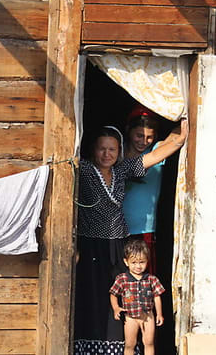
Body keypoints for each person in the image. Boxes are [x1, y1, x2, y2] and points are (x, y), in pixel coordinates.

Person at [73, 119, 187, 355]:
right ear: (93, 149)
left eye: (112, 149)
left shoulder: (121, 171)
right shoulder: (84, 169)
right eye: (102, 149)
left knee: (120, 296)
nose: (107, 154)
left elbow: (153, 157)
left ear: (119, 151)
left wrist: (181, 136)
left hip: (118, 244)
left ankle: (120, 348)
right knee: (94, 295)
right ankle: (91, 348)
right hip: (91, 243)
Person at [122, 106, 165, 274]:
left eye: (149, 137)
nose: (143, 141)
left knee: (143, 279)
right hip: (116, 229)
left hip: (145, 229)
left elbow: (176, 138)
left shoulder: (155, 151)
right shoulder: (117, 151)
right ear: (128, 130)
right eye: (139, 135)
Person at [109, 239, 165, 355]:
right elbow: (113, 294)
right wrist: (116, 308)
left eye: (142, 262)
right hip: (130, 317)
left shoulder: (151, 279)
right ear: (126, 262)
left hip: (148, 316)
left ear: (147, 261)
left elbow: (157, 297)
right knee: (130, 344)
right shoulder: (122, 279)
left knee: (149, 342)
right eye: (134, 262)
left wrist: (159, 314)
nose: (138, 266)